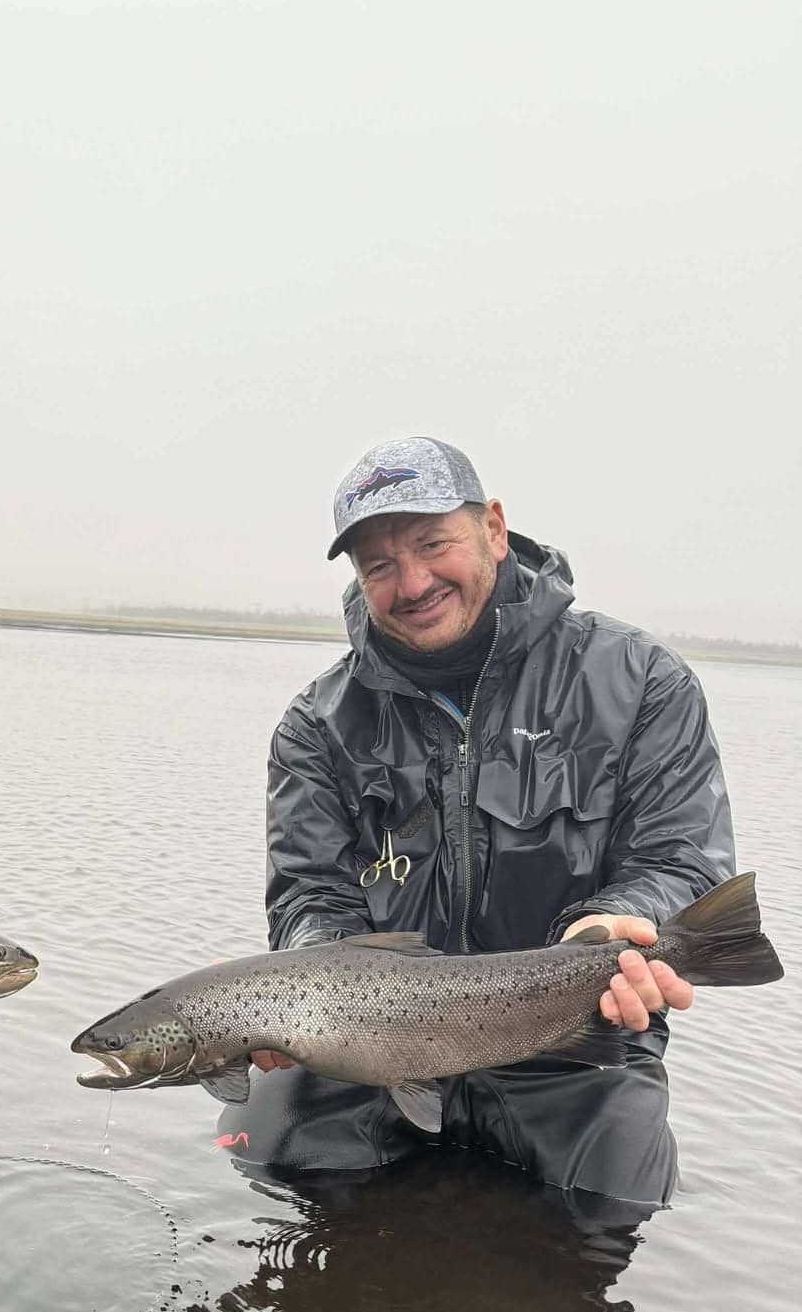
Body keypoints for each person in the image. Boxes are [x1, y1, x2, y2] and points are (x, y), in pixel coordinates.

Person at [234, 434, 734, 1210]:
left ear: (494, 529)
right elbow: (308, 898)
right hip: (370, 1045)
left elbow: (680, 859)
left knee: (613, 1208)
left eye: (433, 544)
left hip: (569, 1042)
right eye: (379, 565)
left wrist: (620, 923)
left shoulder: (641, 683)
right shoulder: (316, 726)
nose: (413, 582)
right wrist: (299, 998)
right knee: (268, 1167)